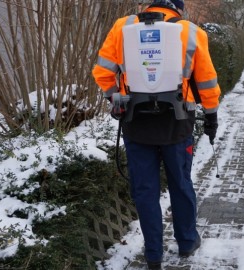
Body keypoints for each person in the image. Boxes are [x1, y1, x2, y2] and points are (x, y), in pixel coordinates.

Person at [92, 0, 221, 269]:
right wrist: (211, 116)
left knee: (145, 190)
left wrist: (116, 100)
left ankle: (153, 254)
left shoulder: (123, 26)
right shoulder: (192, 31)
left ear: (150, 4)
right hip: (178, 122)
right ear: (178, 8)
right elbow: (206, 80)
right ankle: (186, 242)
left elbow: (103, 72)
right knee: (181, 184)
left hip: (136, 124)